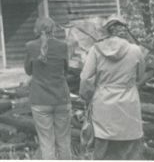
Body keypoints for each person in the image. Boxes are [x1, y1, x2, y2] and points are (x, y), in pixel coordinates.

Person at [79, 14, 145, 160]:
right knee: (130, 144)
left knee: (103, 145)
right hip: (129, 102)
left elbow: (85, 78)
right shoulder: (135, 50)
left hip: (103, 102)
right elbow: (140, 77)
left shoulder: (96, 50)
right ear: (124, 30)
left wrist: (87, 97)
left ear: (107, 31)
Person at [25, 17, 72, 160]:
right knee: (64, 141)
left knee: (46, 142)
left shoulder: (30, 46)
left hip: (40, 99)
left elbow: (28, 71)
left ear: (37, 30)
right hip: (61, 98)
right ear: (53, 29)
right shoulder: (63, 46)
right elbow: (66, 70)